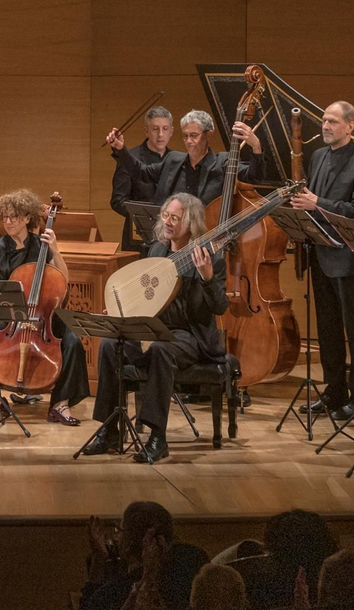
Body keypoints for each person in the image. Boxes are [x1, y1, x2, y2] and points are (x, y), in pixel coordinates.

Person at [82, 193, 228, 464]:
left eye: (176, 217)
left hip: (188, 336)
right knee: (110, 344)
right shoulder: (157, 251)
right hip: (153, 327)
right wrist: (120, 312)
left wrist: (207, 278)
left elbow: (219, 307)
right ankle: (109, 431)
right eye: (166, 215)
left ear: (191, 222)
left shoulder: (210, 258)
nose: (168, 222)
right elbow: (144, 295)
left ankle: (157, 438)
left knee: (162, 350)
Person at [0, 188, 90, 426]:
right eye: (3, 217)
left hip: (42, 318)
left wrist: (55, 250)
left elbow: (62, 280)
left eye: (13, 216)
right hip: (9, 320)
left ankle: (60, 403)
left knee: (73, 341)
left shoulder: (41, 245)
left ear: (27, 217)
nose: (7, 222)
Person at [290, 101, 354, 421]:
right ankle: (334, 391)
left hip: (348, 255)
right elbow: (312, 200)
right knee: (326, 328)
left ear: (350, 126)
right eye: (324, 120)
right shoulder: (318, 156)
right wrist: (301, 204)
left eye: (333, 121)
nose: (325, 126)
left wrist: (316, 203)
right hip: (320, 251)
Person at [105, 109, 265, 209]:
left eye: (194, 136)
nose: (189, 141)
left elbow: (253, 177)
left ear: (209, 134)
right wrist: (121, 149)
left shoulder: (223, 163)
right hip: (172, 243)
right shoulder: (172, 160)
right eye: (186, 136)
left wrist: (256, 146)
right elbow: (141, 172)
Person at [111, 104, 174, 251]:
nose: (160, 135)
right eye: (155, 129)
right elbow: (117, 200)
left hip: (169, 241)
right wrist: (145, 217)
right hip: (138, 240)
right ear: (146, 131)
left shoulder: (176, 161)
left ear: (171, 132)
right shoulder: (129, 158)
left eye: (165, 129)